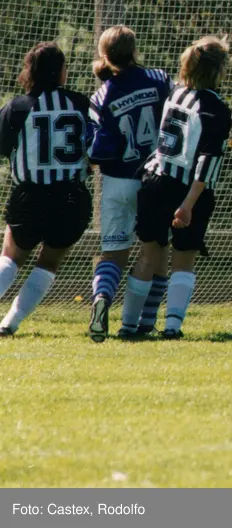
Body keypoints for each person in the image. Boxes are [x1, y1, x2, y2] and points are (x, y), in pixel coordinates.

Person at [123, 37, 232, 339]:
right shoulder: (215, 107)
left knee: (148, 256)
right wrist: (188, 204)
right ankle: (172, 327)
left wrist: (228, 122)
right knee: (184, 258)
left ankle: (128, 325)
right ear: (218, 70)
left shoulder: (175, 93)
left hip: (155, 180)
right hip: (187, 189)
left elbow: (191, 133)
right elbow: (206, 161)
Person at [85, 26, 173, 342]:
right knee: (156, 253)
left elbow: (96, 150)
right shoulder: (160, 79)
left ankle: (101, 297)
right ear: (134, 50)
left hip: (115, 183)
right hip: (153, 180)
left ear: (104, 54)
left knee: (112, 254)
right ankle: (143, 323)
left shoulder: (100, 96)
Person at [0, 43, 92, 336]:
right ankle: (9, 324)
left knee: (11, 258)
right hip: (71, 196)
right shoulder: (81, 104)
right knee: (48, 263)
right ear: (61, 72)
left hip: (30, 194)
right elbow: (97, 146)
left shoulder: (18, 107)